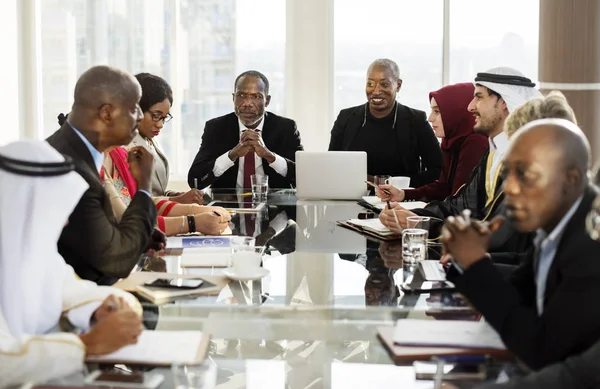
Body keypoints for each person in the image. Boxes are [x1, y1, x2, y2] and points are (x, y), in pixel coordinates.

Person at [441, 118, 600, 370]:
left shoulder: (591, 243)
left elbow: (540, 349)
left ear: (571, 180)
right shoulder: (556, 225)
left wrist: (475, 263)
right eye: (507, 175)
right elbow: (516, 296)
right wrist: (464, 260)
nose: (510, 188)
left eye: (525, 175)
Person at [0, 140, 143, 387]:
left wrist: (105, 310)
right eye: (55, 208)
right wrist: (85, 346)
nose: (64, 221)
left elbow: (76, 292)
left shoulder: (38, 252)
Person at [379, 67, 542, 258]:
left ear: (504, 102)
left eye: (479, 97)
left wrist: (421, 224)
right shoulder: (494, 151)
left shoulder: (524, 161)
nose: (470, 106)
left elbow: (499, 234)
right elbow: (460, 205)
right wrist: (407, 214)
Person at [47, 65, 163, 285]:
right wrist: (144, 186)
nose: (140, 117)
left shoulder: (71, 149)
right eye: (134, 108)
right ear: (106, 113)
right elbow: (116, 262)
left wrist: (138, 235)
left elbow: (93, 239)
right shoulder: (74, 172)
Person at [328, 58, 443, 187]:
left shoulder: (416, 121)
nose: (376, 91)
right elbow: (332, 165)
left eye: (385, 84)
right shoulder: (346, 118)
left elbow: (438, 170)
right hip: (351, 197)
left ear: (398, 85)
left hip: (400, 202)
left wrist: (387, 183)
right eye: (370, 84)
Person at [188, 70, 304, 190]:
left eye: (256, 96)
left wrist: (269, 156)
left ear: (267, 101)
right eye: (241, 96)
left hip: (277, 208)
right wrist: (231, 155)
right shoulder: (216, 128)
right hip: (228, 208)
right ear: (233, 98)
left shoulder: (285, 128)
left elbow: (303, 177)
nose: (247, 103)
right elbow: (195, 180)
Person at [377, 82, 488, 202]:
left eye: (437, 112)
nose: (430, 118)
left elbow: (459, 201)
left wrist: (417, 214)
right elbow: (443, 188)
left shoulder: (475, 142)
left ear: (455, 113)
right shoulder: (452, 141)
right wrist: (403, 194)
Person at [103, 146, 231, 236]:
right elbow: (130, 223)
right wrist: (192, 223)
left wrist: (199, 210)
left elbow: (146, 203)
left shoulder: (118, 154)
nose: (139, 116)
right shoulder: (92, 163)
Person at [127, 73, 203, 204]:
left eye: (164, 117)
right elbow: (130, 200)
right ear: (137, 109)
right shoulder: (125, 146)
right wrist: (174, 200)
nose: (160, 124)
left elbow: (156, 191)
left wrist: (171, 194)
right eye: (156, 116)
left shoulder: (149, 138)